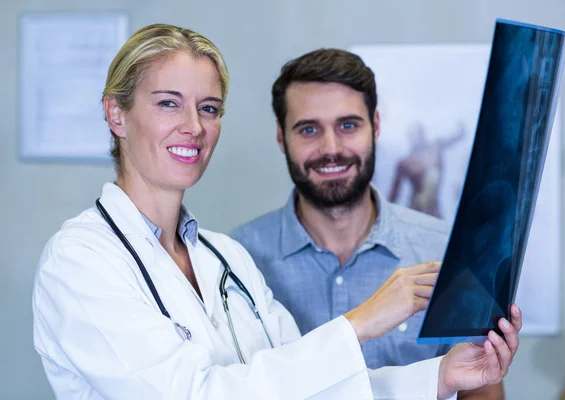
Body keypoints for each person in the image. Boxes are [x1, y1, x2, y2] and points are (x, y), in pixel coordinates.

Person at [32, 24, 521, 400]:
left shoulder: (225, 257)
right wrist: (363, 321)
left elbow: (308, 388)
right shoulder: (79, 261)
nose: (193, 127)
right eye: (168, 103)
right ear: (116, 113)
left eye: (209, 108)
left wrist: (441, 375)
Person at [231, 48, 505, 398]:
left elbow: (482, 390)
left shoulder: (448, 250)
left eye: (348, 125)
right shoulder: (236, 261)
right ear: (282, 138)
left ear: (375, 126)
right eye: (308, 129)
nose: (331, 148)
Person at [388, 120, 466, 218]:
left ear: (422, 134)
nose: (416, 138)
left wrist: (461, 131)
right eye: (413, 135)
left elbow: (454, 138)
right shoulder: (405, 163)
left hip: (432, 208)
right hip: (415, 208)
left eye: (417, 134)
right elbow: (394, 192)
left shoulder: (435, 147)